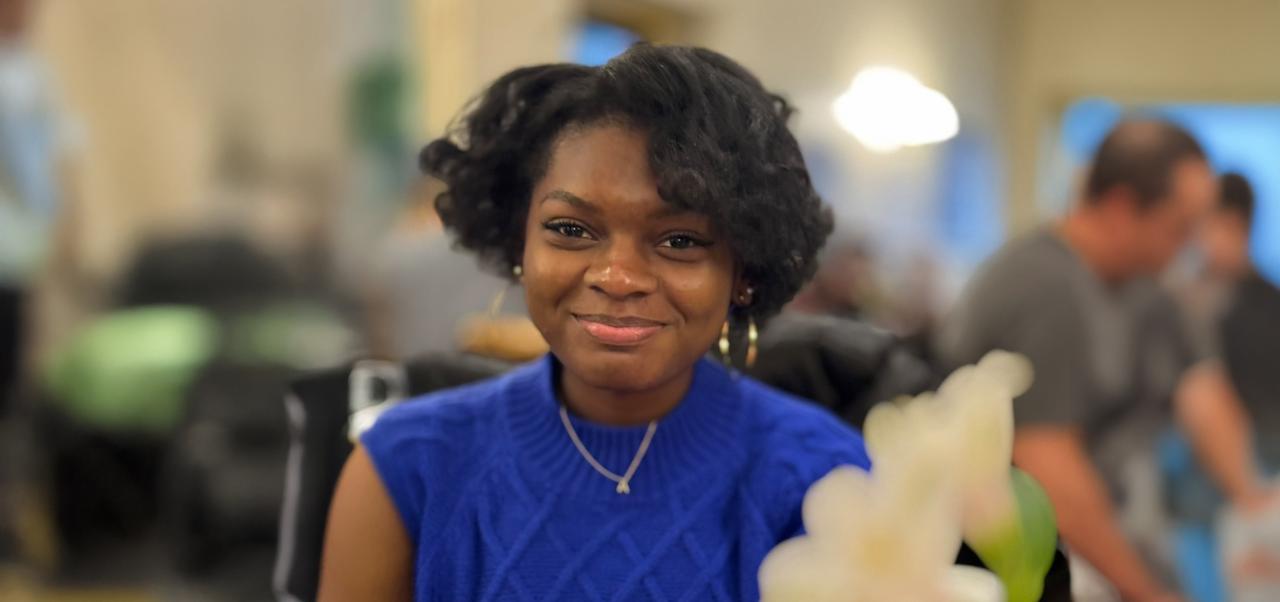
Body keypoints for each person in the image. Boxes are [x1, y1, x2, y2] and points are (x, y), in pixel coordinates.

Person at [318, 44, 869, 601]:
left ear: (743, 270)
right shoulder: (406, 468)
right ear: (519, 243)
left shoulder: (826, 481)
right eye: (572, 229)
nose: (618, 276)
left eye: (679, 240)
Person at [937, 119, 1269, 601]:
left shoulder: (1146, 286)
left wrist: (1255, 506)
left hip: (1109, 534)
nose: (1191, 246)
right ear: (1120, 208)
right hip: (1011, 560)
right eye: (1179, 228)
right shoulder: (1041, 288)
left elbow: (1202, 390)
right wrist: (1151, 594)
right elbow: (1053, 475)